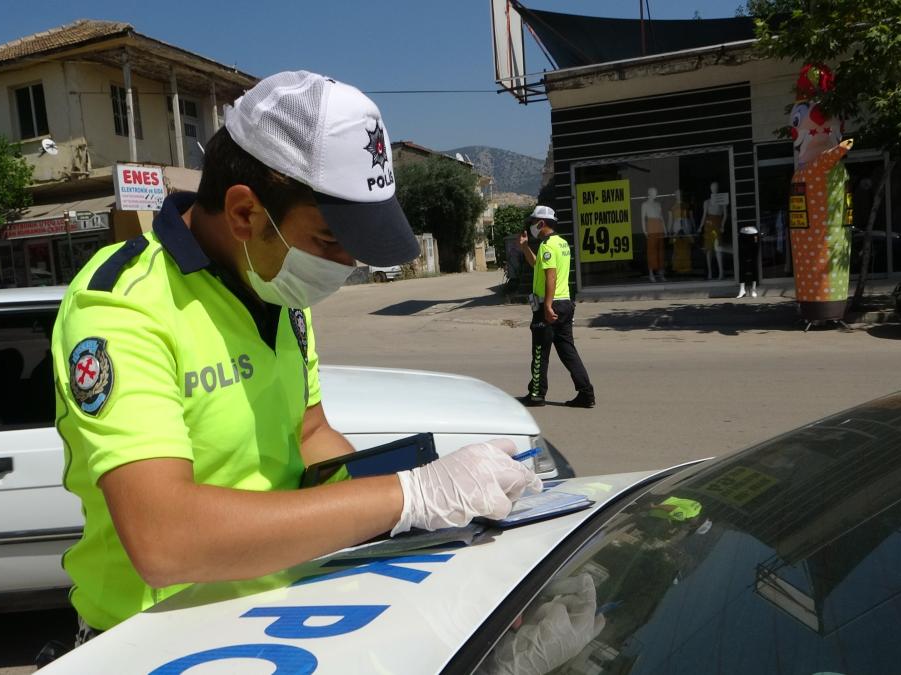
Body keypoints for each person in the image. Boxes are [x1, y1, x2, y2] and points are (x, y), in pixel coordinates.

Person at [51, 71, 541, 639]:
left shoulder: (274, 284)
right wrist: (408, 496)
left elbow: (309, 435)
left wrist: (426, 523)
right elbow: (165, 539)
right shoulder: (122, 309)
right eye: (330, 242)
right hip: (155, 639)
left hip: (272, 617)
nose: (343, 266)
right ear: (244, 214)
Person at [516, 205, 595, 408]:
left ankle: (536, 395)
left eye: (534, 222)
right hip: (566, 304)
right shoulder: (561, 244)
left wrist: (548, 306)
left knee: (540, 352)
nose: (532, 225)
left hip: (550, 305)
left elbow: (550, 276)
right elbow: (538, 265)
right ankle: (586, 393)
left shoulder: (548, 245)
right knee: (568, 351)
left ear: (542, 223)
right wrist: (525, 247)